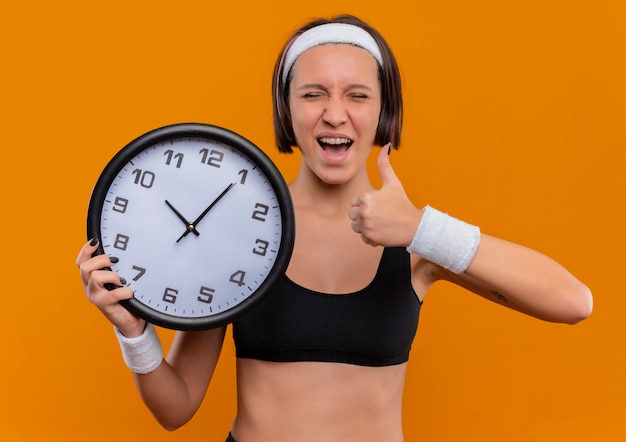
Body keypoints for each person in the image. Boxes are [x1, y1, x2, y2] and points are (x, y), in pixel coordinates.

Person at [76, 14, 593, 442]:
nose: (335, 114)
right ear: (287, 109)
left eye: (358, 95)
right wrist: (135, 332)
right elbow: (176, 407)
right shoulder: (233, 237)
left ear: (384, 110)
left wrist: (420, 228)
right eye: (313, 94)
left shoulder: (416, 241)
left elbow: (572, 302)